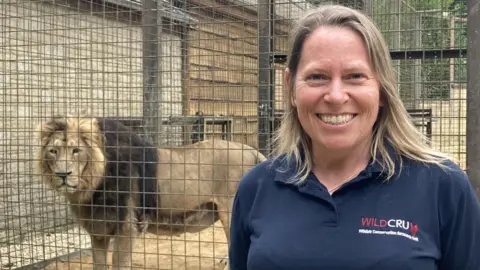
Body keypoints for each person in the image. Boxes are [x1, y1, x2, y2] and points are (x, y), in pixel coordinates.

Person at [228, 4, 480, 270]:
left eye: (355, 76)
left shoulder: (443, 187)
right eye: (317, 77)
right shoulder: (256, 188)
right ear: (290, 86)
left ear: (382, 88)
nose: (336, 96)